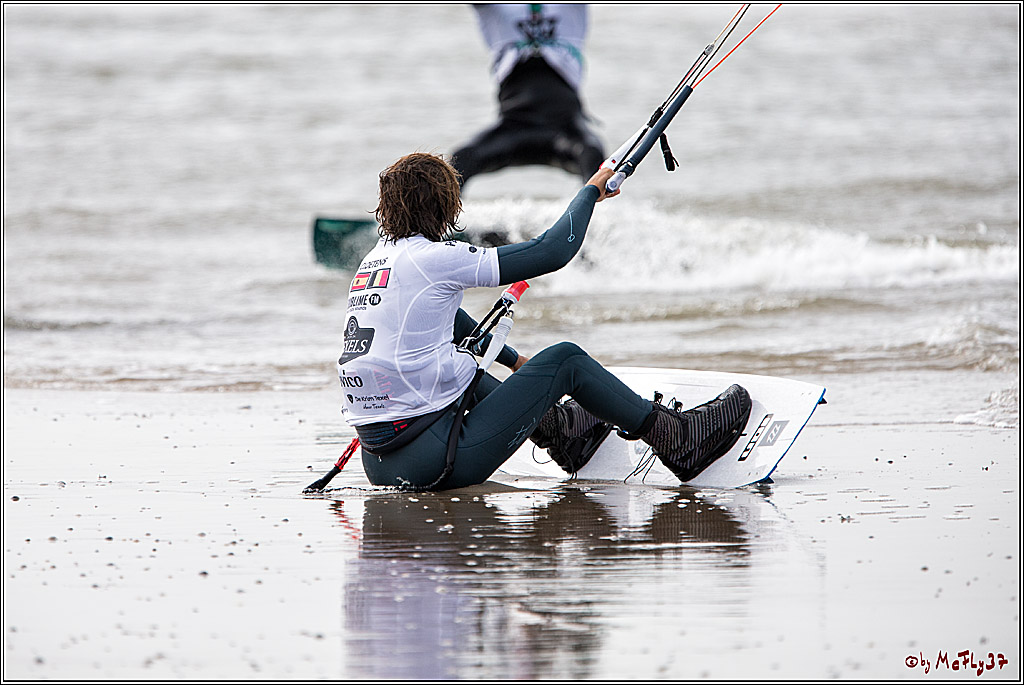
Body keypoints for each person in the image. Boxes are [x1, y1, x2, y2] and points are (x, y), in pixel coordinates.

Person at [337, 152, 751, 490]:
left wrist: (514, 362)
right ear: (446, 204)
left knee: (457, 365)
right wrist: (590, 191)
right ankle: (678, 440)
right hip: (435, 462)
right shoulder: (434, 260)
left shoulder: (375, 264)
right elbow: (552, 251)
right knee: (565, 360)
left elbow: (450, 323)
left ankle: (563, 431)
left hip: (380, 465)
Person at [450, 4, 606, 188]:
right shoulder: (497, 9)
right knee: (460, 161)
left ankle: (590, 213)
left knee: (593, 157)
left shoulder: (568, 7)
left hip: (565, 128)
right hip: (513, 126)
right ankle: (438, 215)